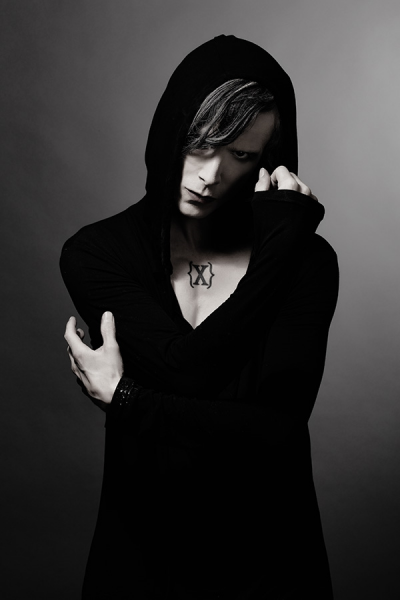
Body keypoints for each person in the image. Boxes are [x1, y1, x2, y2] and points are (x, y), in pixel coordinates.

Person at [61, 35, 339, 599]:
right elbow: (186, 369)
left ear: (268, 161)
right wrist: (277, 259)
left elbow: (276, 434)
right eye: (199, 144)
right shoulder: (97, 253)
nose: (210, 174)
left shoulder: (306, 260)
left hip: (271, 562)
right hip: (140, 557)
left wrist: (127, 398)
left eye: (241, 155)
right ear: (170, 132)